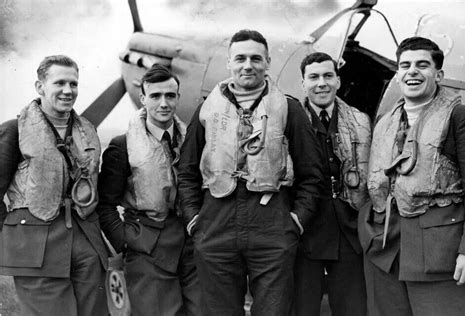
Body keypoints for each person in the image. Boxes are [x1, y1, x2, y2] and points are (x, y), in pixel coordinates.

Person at [177, 29, 325, 315]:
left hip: (272, 223)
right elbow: (186, 171)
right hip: (215, 221)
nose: (248, 65)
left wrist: (294, 221)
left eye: (256, 58)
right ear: (229, 62)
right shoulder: (207, 109)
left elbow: (311, 174)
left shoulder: (289, 109)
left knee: (273, 310)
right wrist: (196, 219)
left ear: (267, 61)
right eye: (240, 58)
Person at [359, 36, 465, 315]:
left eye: (422, 65)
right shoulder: (385, 120)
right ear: (398, 74)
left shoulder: (461, 117)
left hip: (440, 255)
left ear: (439, 74)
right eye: (405, 65)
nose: (412, 71)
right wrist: (367, 231)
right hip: (384, 251)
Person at [0, 55, 109, 315]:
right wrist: (12, 232)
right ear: (40, 87)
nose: (68, 91)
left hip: (85, 240)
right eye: (59, 83)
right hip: (34, 242)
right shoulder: (15, 131)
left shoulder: (87, 131)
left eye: (73, 84)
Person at [97, 64, 201, 316]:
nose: (163, 103)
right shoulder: (122, 146)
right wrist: (125, 240)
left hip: (192, 245)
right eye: (155, 96)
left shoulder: (193, 140)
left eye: (170, 96)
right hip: (147, 245)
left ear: (178, 97)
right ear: (143, 98)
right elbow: (106, 204)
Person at [293, 52, 370, 315]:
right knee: (303, 307)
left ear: (338, 80)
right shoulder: (290, 121)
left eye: (328, 76)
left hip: (348, 230)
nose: (321, 83)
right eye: (313, 77)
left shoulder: (360, 121)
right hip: (306, 232)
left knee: (353, 308)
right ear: (303, 83)